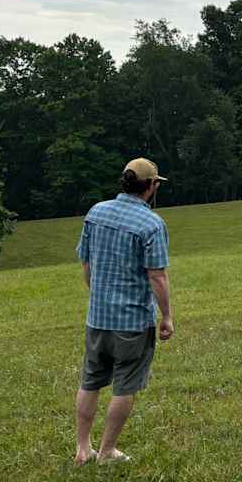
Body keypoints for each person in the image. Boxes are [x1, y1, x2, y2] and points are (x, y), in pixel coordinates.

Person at [74, 158, 174, 465]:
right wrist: (166, 316)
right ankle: (107, 452)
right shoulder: (151, 224)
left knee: (90, 381)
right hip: (132, 321)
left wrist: (99, 296)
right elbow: (156, 276)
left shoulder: (96, 212)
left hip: (97, 318)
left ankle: (82, 449)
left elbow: (87, 265)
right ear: (151, 186)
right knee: (125, 385)